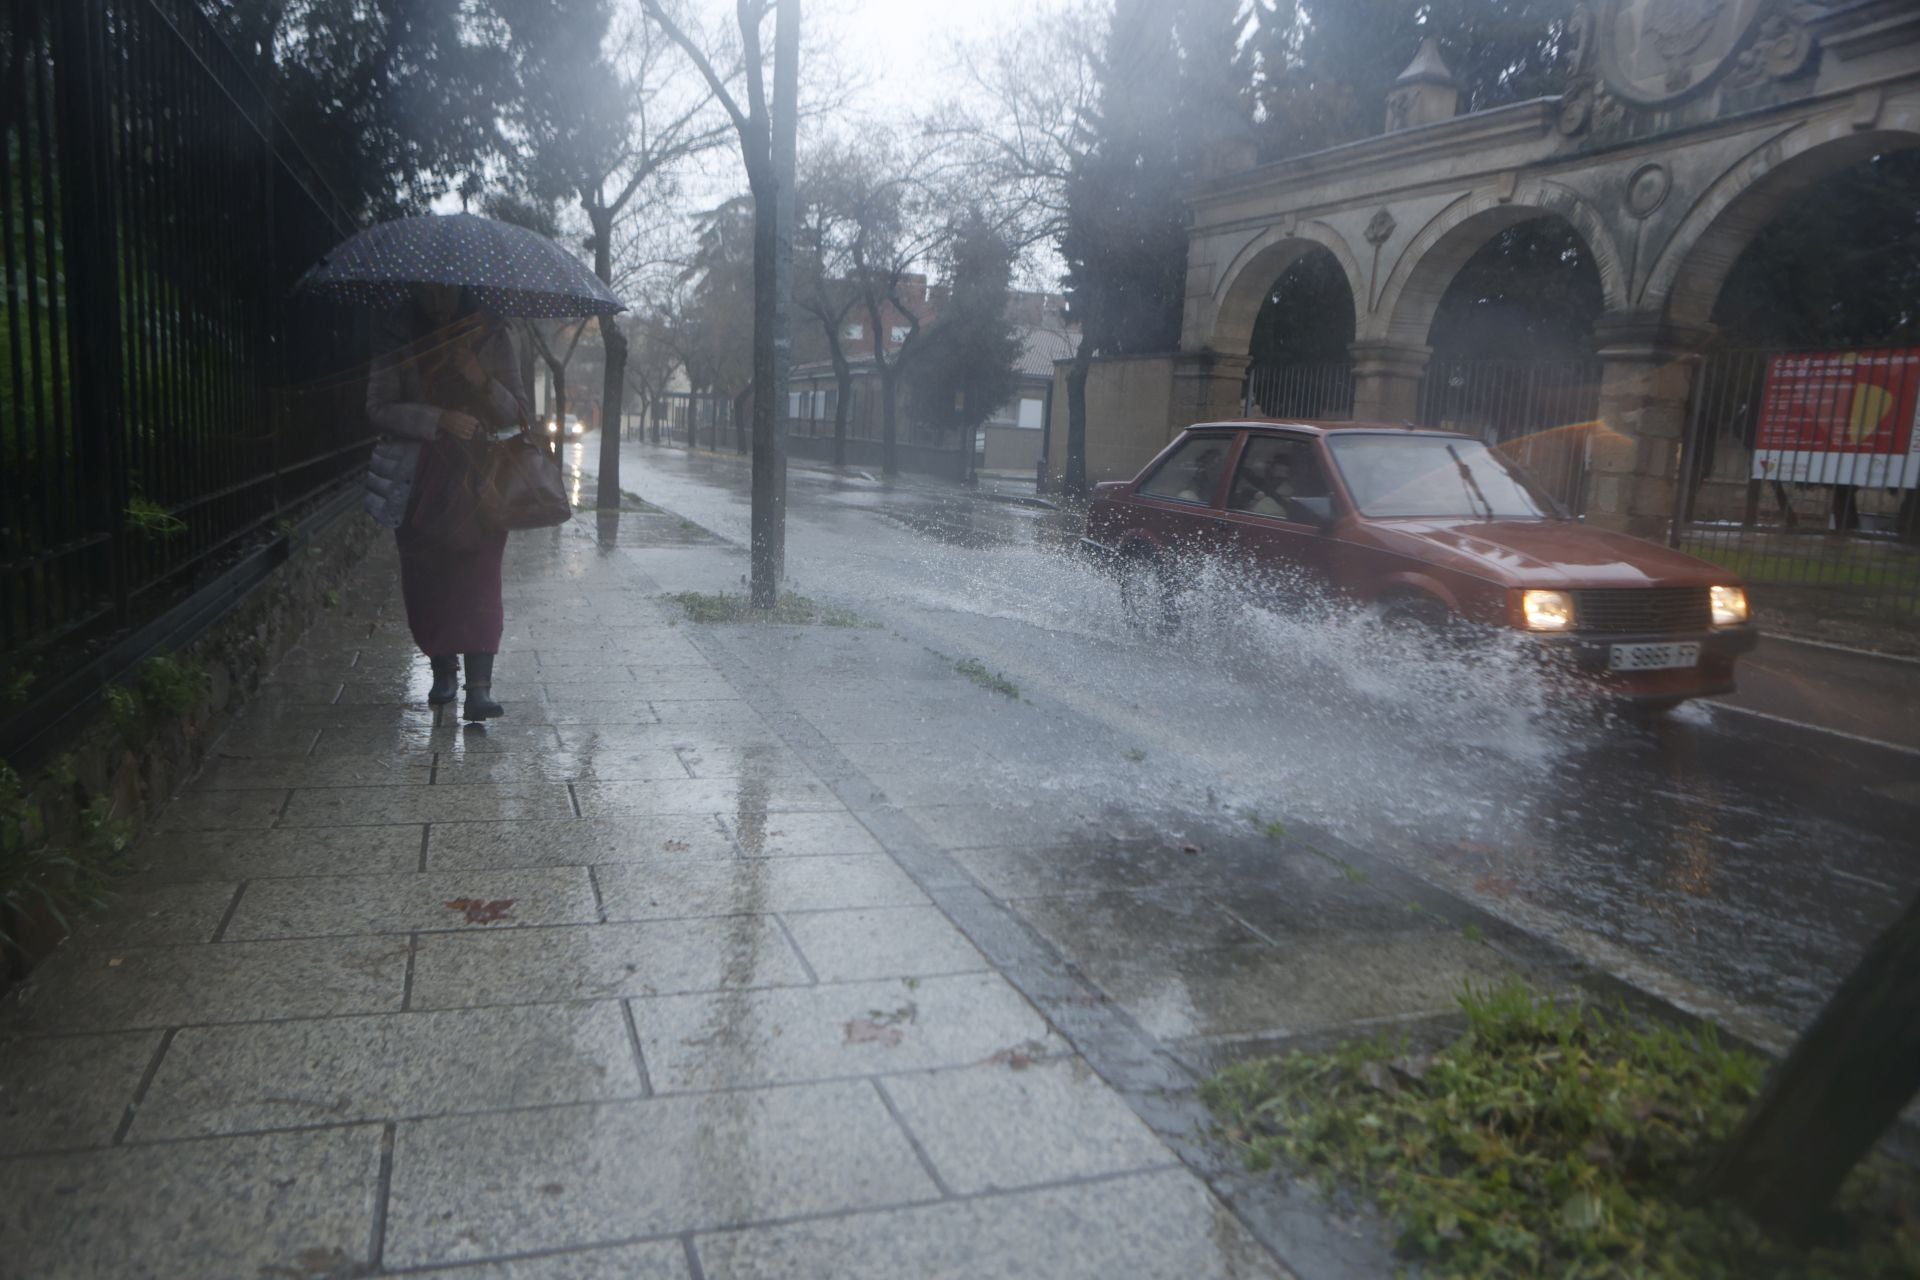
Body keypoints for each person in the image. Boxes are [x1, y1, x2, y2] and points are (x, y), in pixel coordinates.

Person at [363, 284, 530, 721]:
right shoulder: (397, 335)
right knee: (427, 578)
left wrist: (481, 378)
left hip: (482, 479)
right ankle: (443, 673)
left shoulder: (493, 334)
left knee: (479, 577)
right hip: (418, 478)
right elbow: (378, 406)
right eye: (428, 292)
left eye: (446, 292)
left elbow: (519, 413)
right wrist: (436, 418)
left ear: (461, 287)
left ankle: (480, 688)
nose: (438, 301)